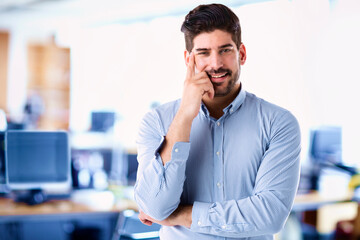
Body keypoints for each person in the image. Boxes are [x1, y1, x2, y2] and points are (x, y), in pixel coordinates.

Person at [134, 3, 301, 239]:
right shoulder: (157, 122)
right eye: (203, 53)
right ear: (188, 59)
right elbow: (155, 206)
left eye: (225, 50)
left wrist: (179, 216)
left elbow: (270, 216)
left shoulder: (279, 123)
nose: (216, 64)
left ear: (241, 54)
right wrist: (185, 115)